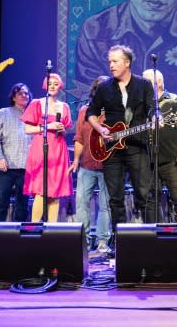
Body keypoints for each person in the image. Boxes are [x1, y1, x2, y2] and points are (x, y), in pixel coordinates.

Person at [87, 45, 156, 235]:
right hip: (112, 150)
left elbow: (151, 110)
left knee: (145, 195)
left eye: (115, 61)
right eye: (110, 61)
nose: (111, 65)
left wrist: (155, 119)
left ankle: (153, 241)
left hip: (137, 147)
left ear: (127, 63)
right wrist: (100, 129)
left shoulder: (143, 85)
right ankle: (120, 242)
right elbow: (91, 114)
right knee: (115, 198)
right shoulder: (104, 87)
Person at [142, 69, 177, 223]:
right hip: (147, 160)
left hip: (170, 158)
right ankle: (155, 236)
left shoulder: (174, 100)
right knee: (150, 199)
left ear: (158, 83)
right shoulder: (141, 102)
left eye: (146, 81)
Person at [21, 74, 73, 222]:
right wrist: (48, 126)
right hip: (41, 149)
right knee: (41, 191)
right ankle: (34, 227)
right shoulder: (37, 103)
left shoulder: (64, 106)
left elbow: (65, 131)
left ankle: (52, 229)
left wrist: (61, 129)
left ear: (60, 86)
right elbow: (28, 129)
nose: (52, 86)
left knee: (54, 191)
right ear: (45, 85)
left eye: (56, 84)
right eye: (50, 83)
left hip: (58, 150)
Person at [69, 76, 112, 253]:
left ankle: (102, 241)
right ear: (94, 90)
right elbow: (79, 138)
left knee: (105, 205)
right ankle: (85, 241)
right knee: (82, 203)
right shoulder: (84, 111)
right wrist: (76, 160)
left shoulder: (115, 112)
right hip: (86, 164)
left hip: (108, 166)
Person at [0, 83, 33, 222]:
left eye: (26, 93)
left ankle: (19, 240)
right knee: (1, 203)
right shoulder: (4, 112)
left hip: (26, 168)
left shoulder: (33, 116)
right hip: (6, 166)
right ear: (13, 97)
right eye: (20, 93)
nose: (24, 95)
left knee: (23, 206)